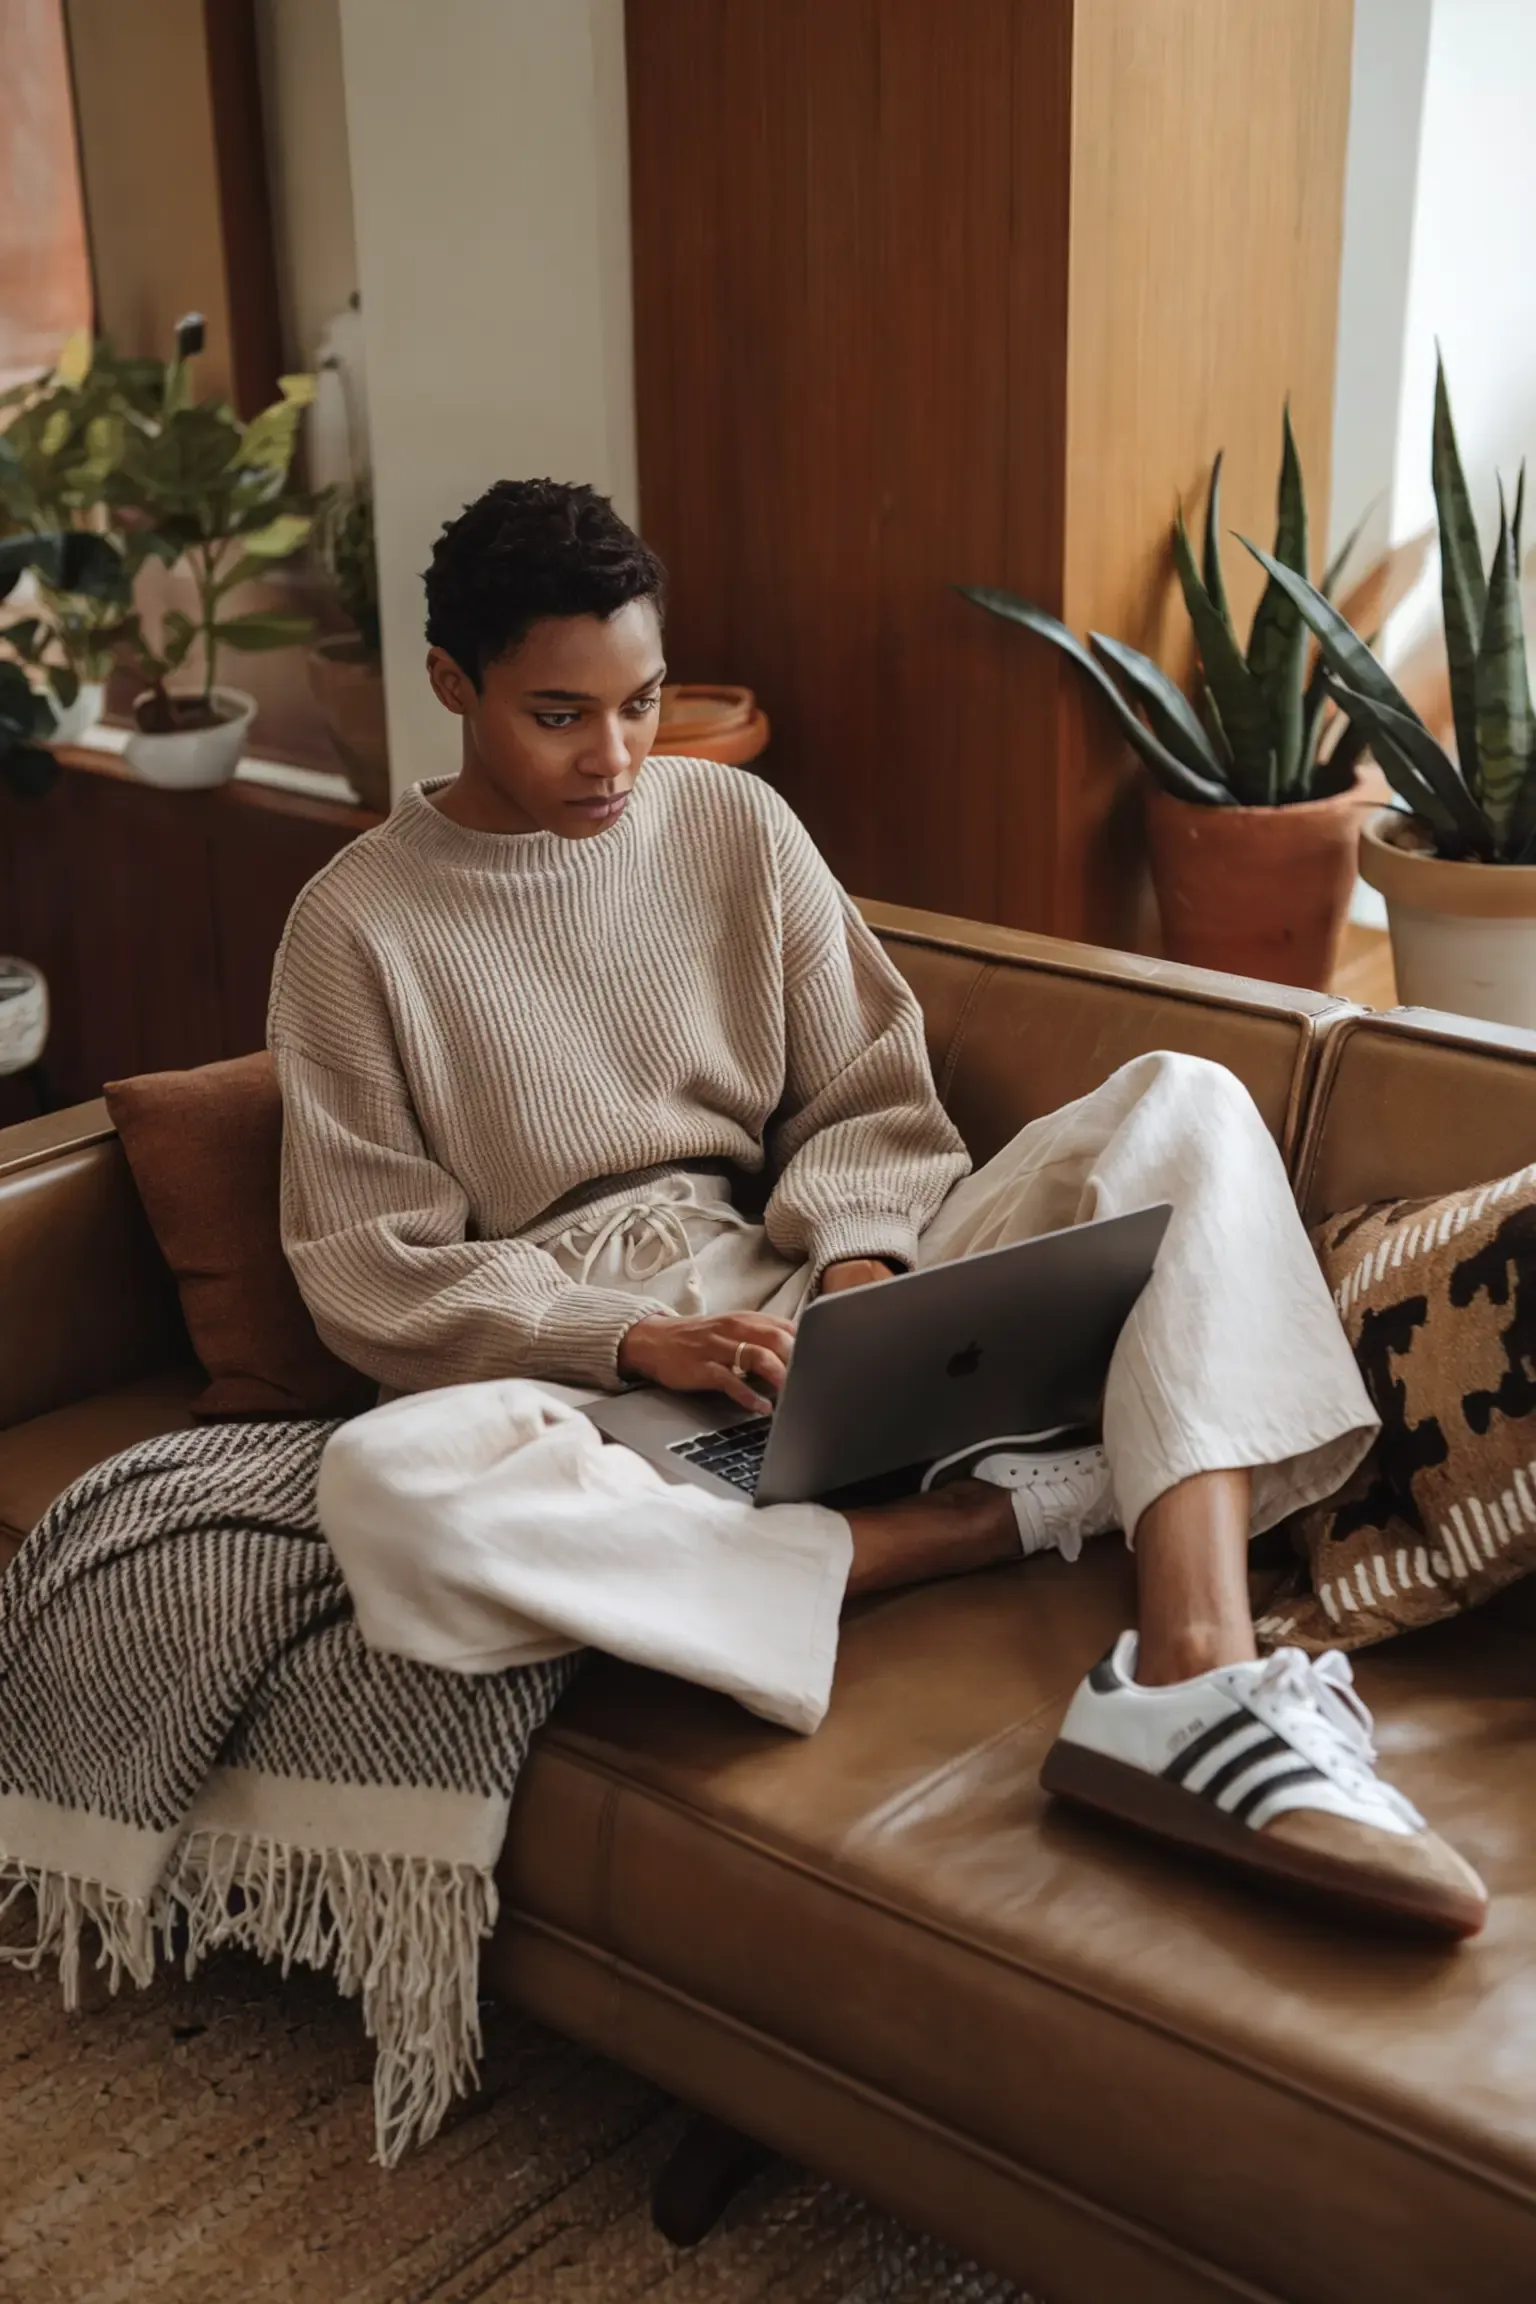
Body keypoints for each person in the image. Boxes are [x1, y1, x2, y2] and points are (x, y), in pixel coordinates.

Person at [269, 478, 1487, 1938]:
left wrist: (860, 1266)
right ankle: (970, 1526)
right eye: (559, 715)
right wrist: (628, 1340)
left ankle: (1190, 1673)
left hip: (806, 1295)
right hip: (589, 1380)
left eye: (644, 704)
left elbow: (870, 1098)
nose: (616, 756)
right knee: (384, 1486)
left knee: (1193, 1100)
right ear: (452, 686)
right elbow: (370, 1268)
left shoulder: (733, 825)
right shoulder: (355, 924)